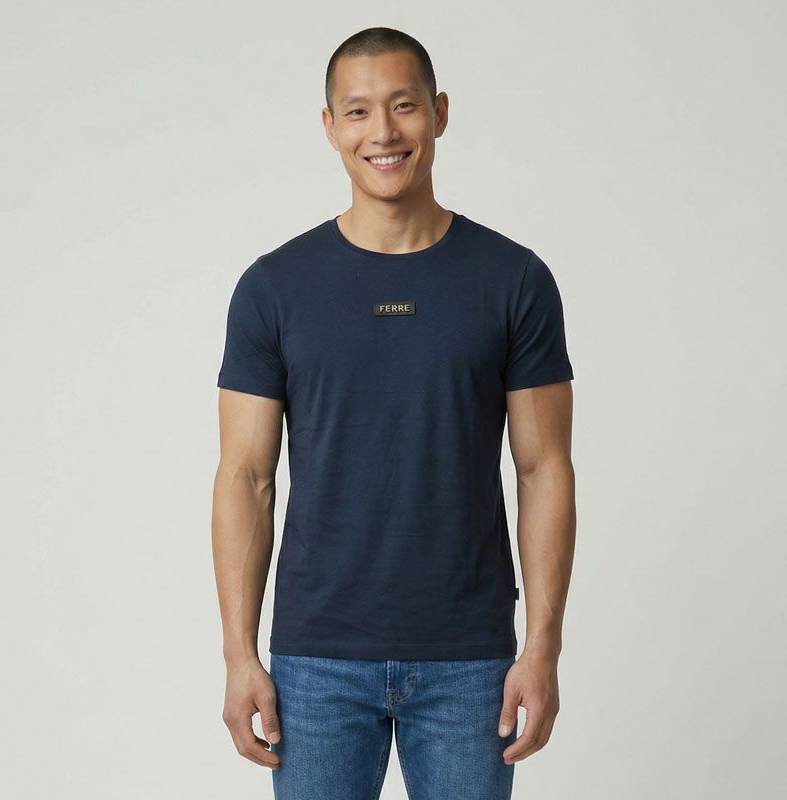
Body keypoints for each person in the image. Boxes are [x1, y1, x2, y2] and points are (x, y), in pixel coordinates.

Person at [212, 26, 576, 800]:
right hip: (315, 662)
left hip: (470, 661)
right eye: (358, 111)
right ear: (330, 126)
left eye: (404, 105)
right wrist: (240, 655)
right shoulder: (275, 288)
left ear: (439, 112)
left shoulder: (513, 280)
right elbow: (245, 476)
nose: (382, 131)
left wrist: (542, 648)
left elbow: (544, 468)